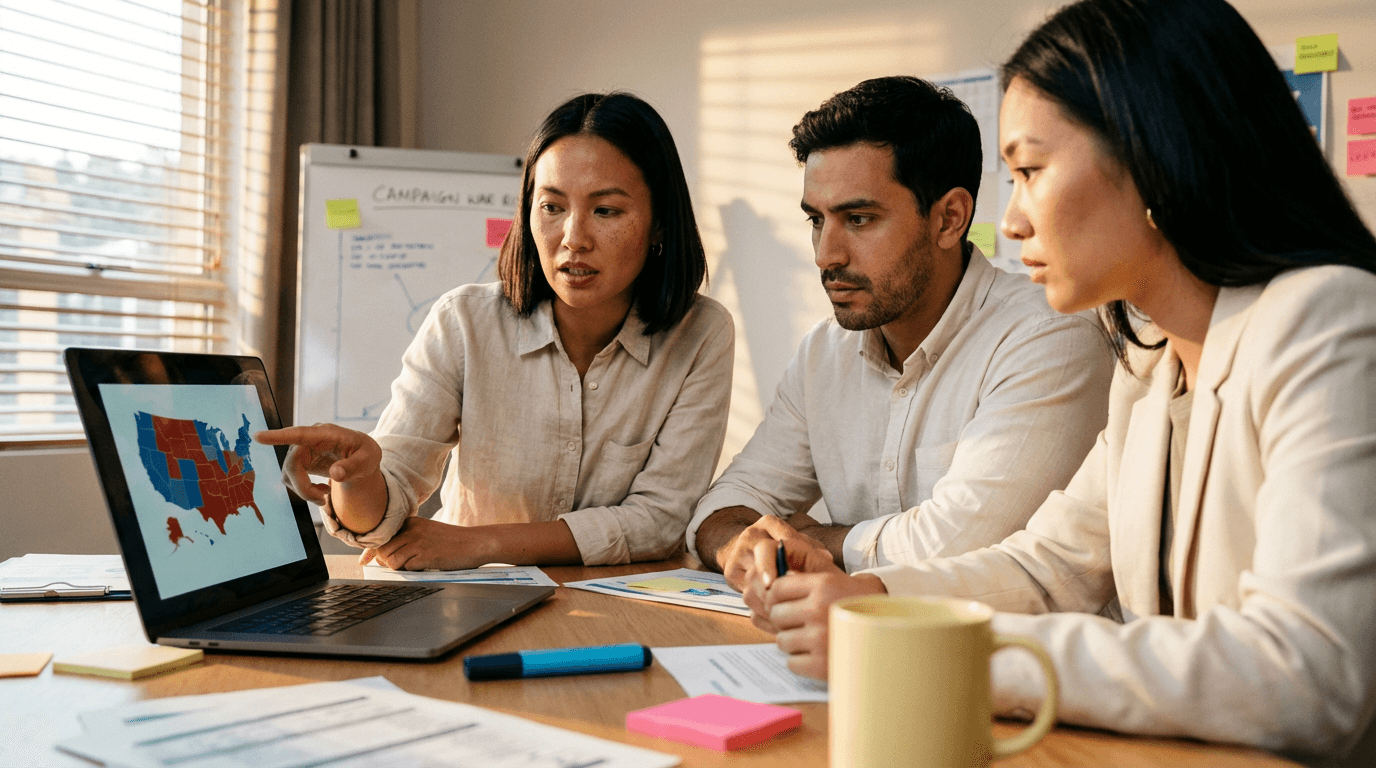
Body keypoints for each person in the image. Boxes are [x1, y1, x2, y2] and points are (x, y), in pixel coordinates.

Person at [751, 0, 1376, 763]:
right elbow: (1051, 569)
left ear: (1154, 155)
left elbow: (1307, 678)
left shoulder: (1328, 320)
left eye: (1030, 172)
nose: (1009, 223)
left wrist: (948, 655)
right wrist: (874, 604)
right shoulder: (1151, 359)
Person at [257, 92, 734, 569]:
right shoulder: (463, 322)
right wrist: (357, 479)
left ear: (658, 225)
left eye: (606, 211)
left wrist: (478, 543)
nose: (573, 237)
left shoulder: (702, 334)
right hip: (473, 601)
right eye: (551, 207)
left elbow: (658, 520)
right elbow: (386, 500)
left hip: (627, 606)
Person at [687, 76, 1113, 590]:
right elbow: (721, 505)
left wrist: (823, 542)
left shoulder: (1048, 335)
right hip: (857, 648)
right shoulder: (825, 352)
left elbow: (961, 546)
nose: (826, 255)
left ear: (950, 219)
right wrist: (742, 545)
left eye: (859, 218)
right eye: (816, 221)